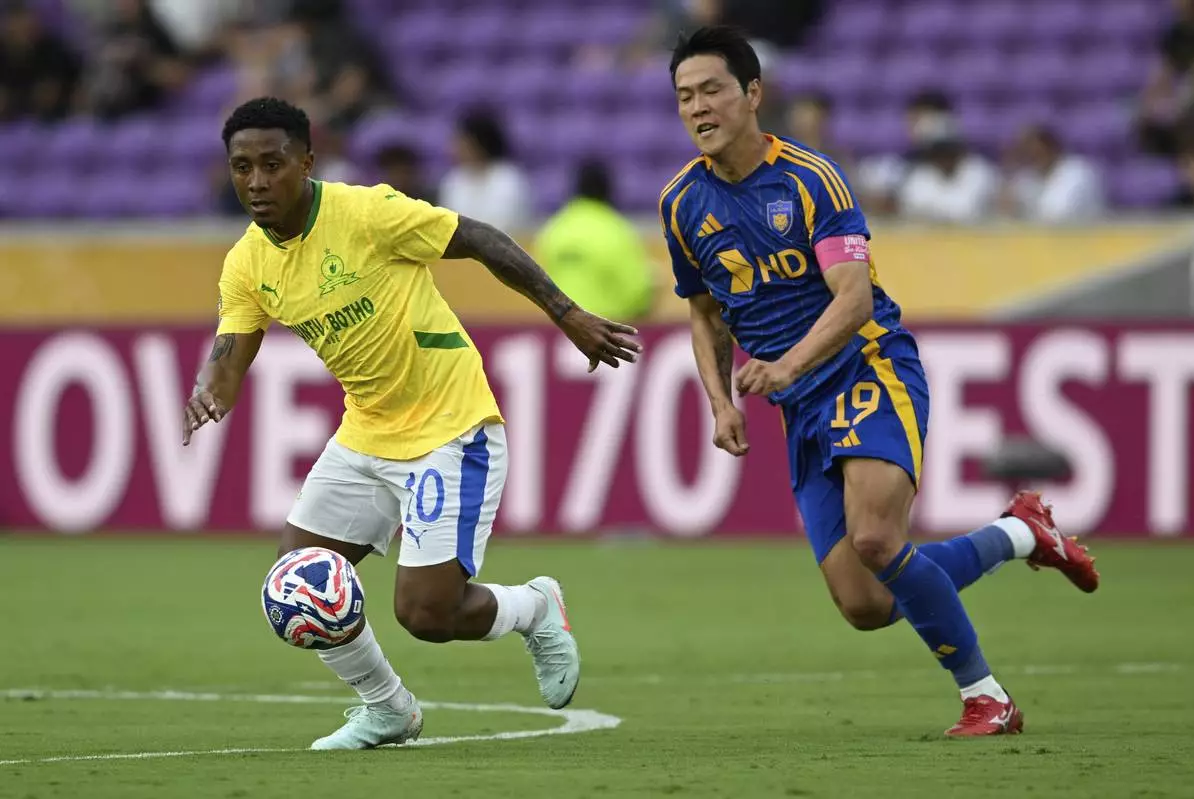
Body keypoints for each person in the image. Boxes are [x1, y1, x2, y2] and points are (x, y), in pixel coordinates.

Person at [660, 27, 1099, 737]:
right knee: (865, 603)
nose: (698, 107)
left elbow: (855, 296)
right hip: (798, 405)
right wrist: (721, 403)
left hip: (866, 367)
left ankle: (987, 697)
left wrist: (787, 364)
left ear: (753, 93)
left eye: (712, 90)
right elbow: (704, 311)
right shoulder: (682, 203)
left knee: (874, 538)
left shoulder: (811, 179)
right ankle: (1021, 532)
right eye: (685, 96)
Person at [183, 97, 641, 750]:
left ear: (307, 162)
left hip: (449, 426)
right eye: (241, 167)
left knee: (426, 614)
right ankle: (388, 708)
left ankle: (534, 606)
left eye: (272, 164)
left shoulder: (368, 212)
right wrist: (208, 389)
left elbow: (480, 238)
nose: (256, 181)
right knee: (296, 579)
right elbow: (231, 353)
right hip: (367, 431)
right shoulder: (246, 262)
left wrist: (566, 313)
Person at [533, 160, 657, 323]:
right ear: (609, 190)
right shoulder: (616, 230)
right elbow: (636, 293)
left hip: (556, 327)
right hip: (603, 330)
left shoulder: (554, 229)